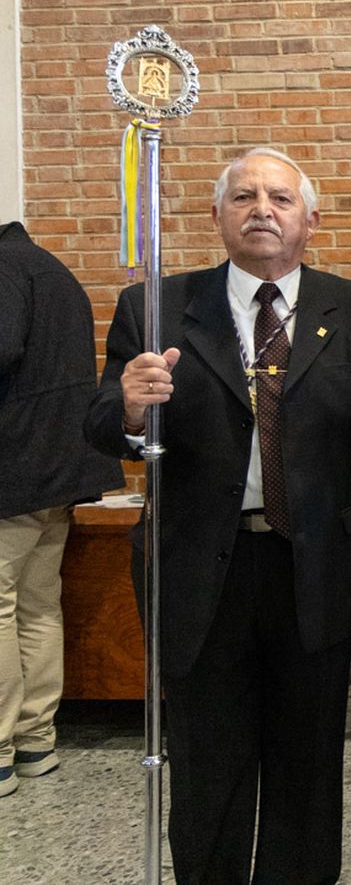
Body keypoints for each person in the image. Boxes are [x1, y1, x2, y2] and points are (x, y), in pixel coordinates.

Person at [85, 148, 351, 883]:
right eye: (244, 196)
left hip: (316, 568)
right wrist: (132, 407)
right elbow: (104, 420)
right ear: (216, 217)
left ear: (311, 220)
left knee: (307, 761)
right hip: (198, 569)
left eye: (280, 197)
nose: (262, 208)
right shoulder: (156, 306)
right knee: (208, 763)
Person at [0, 223, 125, 799]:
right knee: (37, 604)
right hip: (59, 465)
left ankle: (0, 751)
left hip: (13, 463)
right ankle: (35, 742)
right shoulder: (50, 267)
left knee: (4, 606)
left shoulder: (5, 267)